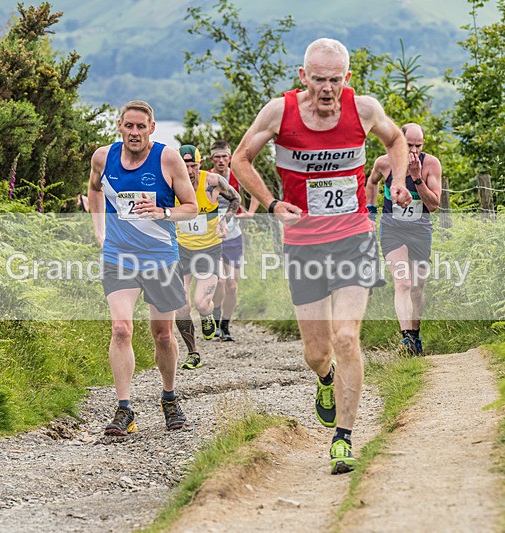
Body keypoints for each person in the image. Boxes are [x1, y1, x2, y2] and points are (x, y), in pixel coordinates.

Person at [232, 38, 411, 475]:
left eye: (335, 80)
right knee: (317, 352)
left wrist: (398, 180)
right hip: (304, 244)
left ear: (347, 78)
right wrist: (272, 204)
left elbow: (396, 139)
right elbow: (240, 159)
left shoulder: (363, 109)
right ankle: (326, 379)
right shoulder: (279, 112)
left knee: (347, 337)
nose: (327, 89)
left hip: (353, 238)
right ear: (303, 76)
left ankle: (343, 438)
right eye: (318, 80)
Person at [87, 100, 198, 436]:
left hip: (160, 257)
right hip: (119, 256)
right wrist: (99, 231)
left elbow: (192, 207)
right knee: (121, 329)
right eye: (129, 126)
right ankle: (124, 409)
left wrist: (164, 213)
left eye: (141, 126)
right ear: (119, 126)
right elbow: (94, 189)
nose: (134, 132)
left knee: (162, 334)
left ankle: (169, 396)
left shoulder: (168, 159)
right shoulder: (103, 157)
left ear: (151, 128)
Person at [366, 123, 442, 356]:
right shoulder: (384, 163)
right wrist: (370, 212)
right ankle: (407, 338)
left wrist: (417, 178)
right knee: (403, 283)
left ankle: (416, 336)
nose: (414, 151)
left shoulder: (431, 165)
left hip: (420, 231)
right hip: (393, 230)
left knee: (417, 289)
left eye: (419, 145)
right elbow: (372, 182)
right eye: (409, 145)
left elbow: (434, 205)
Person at [174, 144, 240, 369]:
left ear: (200, 164)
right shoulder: (170, 184)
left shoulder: (212, 181)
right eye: (184, 166)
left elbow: (235, 199)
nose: (189, 171)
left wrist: (224, 220)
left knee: (201, 304)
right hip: (181, 250)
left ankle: (207, 315)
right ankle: (193, 352)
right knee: (181, 306)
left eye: (193, 165)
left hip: (209, 250)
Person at [208, 140, 259, 342]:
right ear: (211, 159)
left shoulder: (236, 176)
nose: (221, 161)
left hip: (234, 236)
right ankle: (216, 315)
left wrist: (251, 213)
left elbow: (256, 191)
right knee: (220, 281)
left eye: (224, 157)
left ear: (230, 158)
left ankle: (225, 325)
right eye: (217, 157)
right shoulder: (207, 178)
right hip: (212, 237)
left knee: (232, 285)